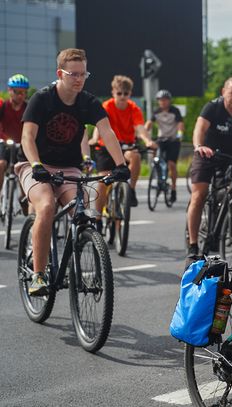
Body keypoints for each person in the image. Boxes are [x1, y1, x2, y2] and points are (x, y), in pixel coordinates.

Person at [15, 48, 130, 296]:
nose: (79, 79)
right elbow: (27, 137)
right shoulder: (42, 99)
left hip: (69, 168)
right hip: (36, 165)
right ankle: (38, 275)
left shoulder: (88, 102)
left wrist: (121, 165)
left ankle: (76, 260)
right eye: (73, 74)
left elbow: (107, 131)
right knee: (46, 206)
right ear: (60, 74)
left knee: (83, 211)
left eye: (83, 74)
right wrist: (36, 165)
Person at [186, 78, 232, 256]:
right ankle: (193, 244)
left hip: (230, 156)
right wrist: (199, 146)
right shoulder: (213, 107)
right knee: (199, 196)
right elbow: (199, 129)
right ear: (223, 92)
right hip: (207, 154)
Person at [90, 75, 156, 214]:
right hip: (106, 147)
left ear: (130, 94)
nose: (122, 96)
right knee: (103, 181)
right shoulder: (107, 106)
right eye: (119, 93)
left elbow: (140, 127)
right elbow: (99, 126)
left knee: (135, 156)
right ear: (113, 92)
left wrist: (147, 141)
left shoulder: (134, 108)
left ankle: (130, 190)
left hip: (126, 146)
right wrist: (95, 138)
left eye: (126, 93)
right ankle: (97, 218)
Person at [144, 89, 184, 203]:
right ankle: (158, 175)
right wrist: (144, 133)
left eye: (165, 100)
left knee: (171, 164)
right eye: (161, 100)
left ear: (169, 101)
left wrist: (179, 135)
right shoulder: (156, 112)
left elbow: (180, 124)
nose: (163, 102)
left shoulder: (175, 111)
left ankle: (173, 188)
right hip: (161, 139)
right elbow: (149, 124)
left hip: (173, 140)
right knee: (155, 155)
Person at [0, 74, 29, 192]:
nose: (21, 95)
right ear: (10, 90)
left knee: (26, 170)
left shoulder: (28, 108)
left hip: (22, 144)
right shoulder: (3, 106)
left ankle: (25, 199)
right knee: (1, 164)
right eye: (17, 92)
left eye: (24, 92)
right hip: (4, 143)